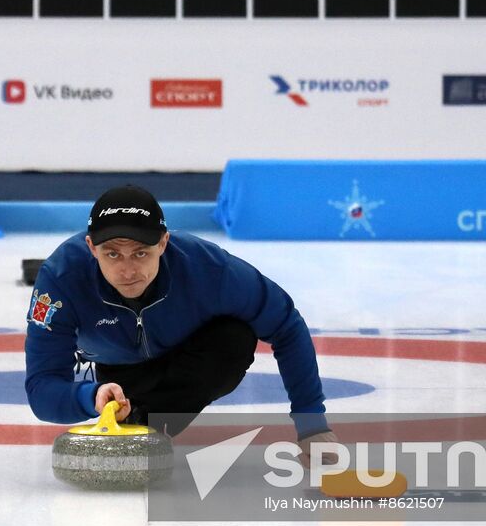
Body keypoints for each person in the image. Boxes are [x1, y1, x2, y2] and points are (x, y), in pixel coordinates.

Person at [24, 185, 334, 455]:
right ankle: (137, 416)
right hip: (120, 376)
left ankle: (146, 424)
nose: (128, 270)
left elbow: (287, 326)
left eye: (141, 253)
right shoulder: (61, 280)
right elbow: (42, 388)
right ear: (91, 247)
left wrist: (312, 425)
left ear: (163, 242)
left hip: (194, 361)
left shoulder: (210, 270)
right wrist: (89, 396)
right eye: (112, 254)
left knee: (234, 338)